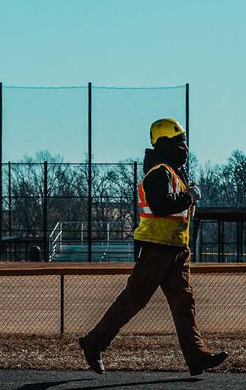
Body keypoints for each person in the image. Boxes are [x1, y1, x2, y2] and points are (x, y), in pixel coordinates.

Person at [77, 117, 229, 376]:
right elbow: (161, 206)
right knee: (133, 300)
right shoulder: (159, 172)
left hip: (176, 251)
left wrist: (186, 196)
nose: (185, 147)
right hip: (157, 249)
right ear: (165, 143)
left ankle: (196, 357)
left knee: (184, 303)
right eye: (180, 141)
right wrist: (189, 196)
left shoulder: (172, 173)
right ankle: (93, 343)